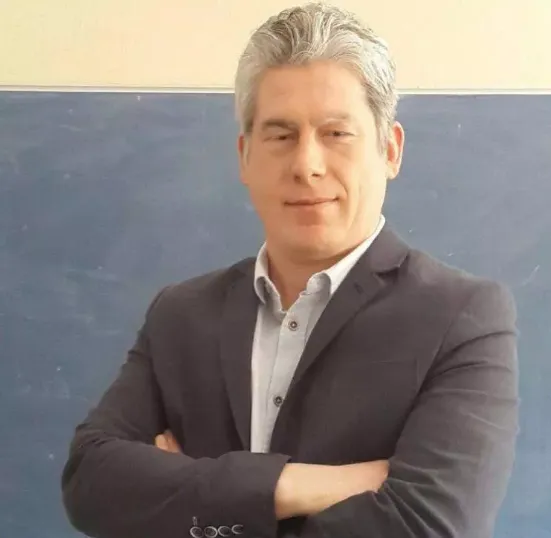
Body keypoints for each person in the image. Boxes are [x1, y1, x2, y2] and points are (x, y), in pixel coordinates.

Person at [61, 3, 519, 538]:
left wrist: (196, 502)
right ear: (244, 156)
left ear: (390, 150)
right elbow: (90, 482)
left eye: (336, 134)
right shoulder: (180, 315)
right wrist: (301, 486)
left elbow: (430, 525)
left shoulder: (463, 318)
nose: (306, 165)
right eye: (281, 136)